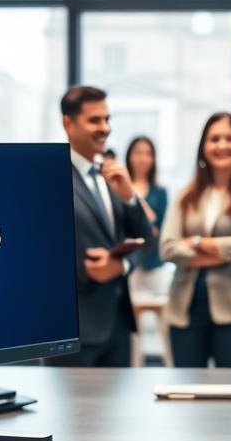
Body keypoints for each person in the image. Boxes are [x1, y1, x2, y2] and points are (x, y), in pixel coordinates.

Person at [47, 85, 152, 368]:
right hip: (73, 331)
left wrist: (130, 197)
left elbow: (145, 239)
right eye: (95, 120)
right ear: (68, 122)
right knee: (73, 413)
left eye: (107, 119)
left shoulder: (112, 175)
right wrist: (88, 270)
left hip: (118, 325)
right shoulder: (47, 178)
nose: (105, 128)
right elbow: (37, 253)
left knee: (119, 414)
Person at [160, 113, 231, 368]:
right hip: (185, 307)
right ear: (203, 147)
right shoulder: (184, 195)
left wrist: (193, 242)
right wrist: (225, 247)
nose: (222, 145)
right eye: (214, 138)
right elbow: (166, 248)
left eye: (229, 138)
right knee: (185, 390)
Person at [125, 136, 172, 366]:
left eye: (147, 153)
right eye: (137, 152)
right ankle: (134, 368)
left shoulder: (160, 192)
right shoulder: (119, 188)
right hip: (131, 267)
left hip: (155, 266)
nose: (142, 158)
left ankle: (172, 368)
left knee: (165, 326)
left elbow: (156, 228)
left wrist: (135, 201)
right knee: (133, 331)